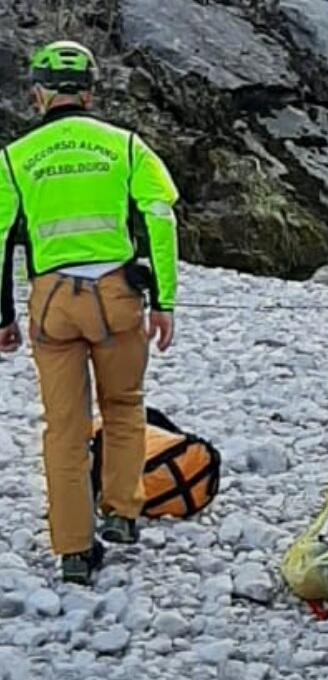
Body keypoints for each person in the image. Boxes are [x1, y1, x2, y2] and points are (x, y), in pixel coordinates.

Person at [0, 40, 180, 586]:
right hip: (117, 297)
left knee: (64, 428)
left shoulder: (14, 158)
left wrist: (2, 316)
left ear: (38, 93)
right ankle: (122, 514)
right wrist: (165, 301)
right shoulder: (126, 146)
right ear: (90, 91)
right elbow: (159, 217)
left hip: (53, 304)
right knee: (124, 406)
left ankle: (74, 551)